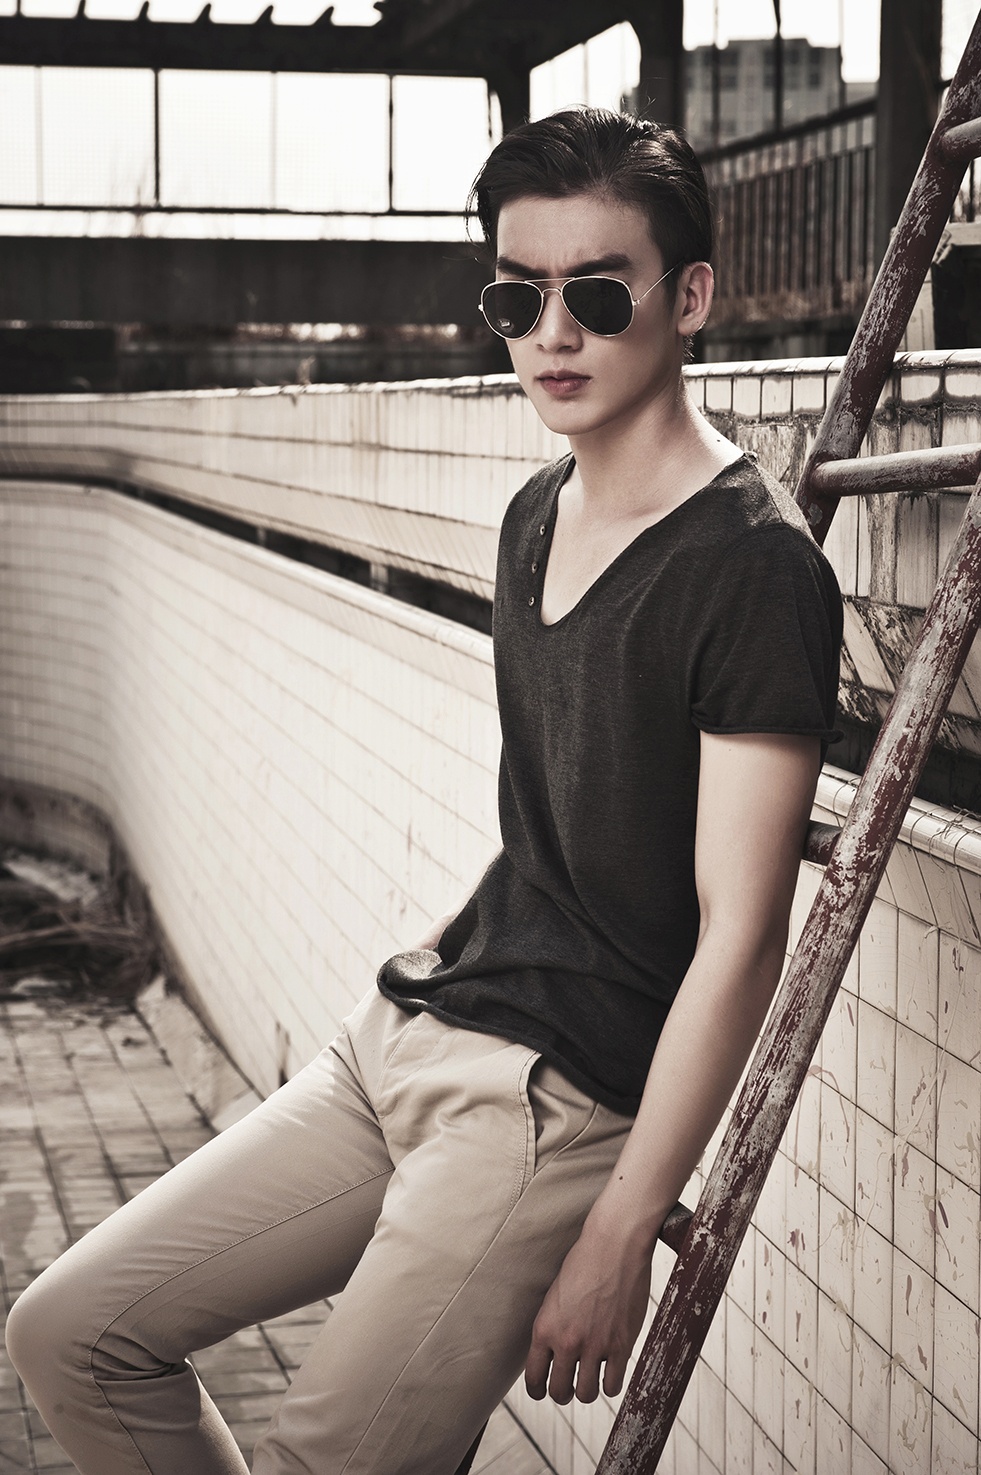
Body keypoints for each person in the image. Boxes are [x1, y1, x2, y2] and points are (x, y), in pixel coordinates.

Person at [6, 106, 842, 1474]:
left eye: (598, 293)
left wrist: (622, 1222)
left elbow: (743, 936)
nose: (553, 335)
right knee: (69, 1332)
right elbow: (547, 836)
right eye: (517, 299)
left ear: (689, 298)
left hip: (554, 1104)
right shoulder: (535, 515)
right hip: (407, 1031)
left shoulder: (751, 569)